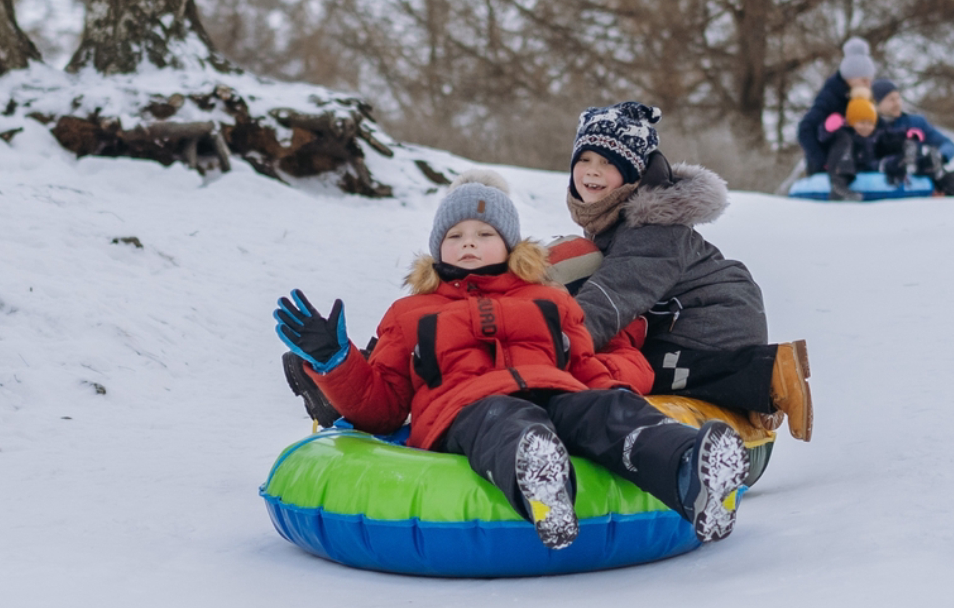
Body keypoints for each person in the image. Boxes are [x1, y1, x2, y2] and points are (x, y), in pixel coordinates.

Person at [273, 170, 751, 551]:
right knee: (506, 418)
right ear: (437, 247)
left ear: (510, 245)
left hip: (556, 393)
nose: (469, 243)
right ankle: (542, 488)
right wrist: (335, 360)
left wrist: (616, 393)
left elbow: (585, 365)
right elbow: (384, 406)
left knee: (605, 409)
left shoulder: (550, 300)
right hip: (467, 409)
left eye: (485, 233)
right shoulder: (411, 313)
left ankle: (691, 474)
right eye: (455, 234)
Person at [560, 102, 813, 441]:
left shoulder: (652, 228)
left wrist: (558, 342)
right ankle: (745, 393)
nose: (592, 171)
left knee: (638, 366)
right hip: (682, 318)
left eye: (608, 163)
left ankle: (765, 375)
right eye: (585, 160)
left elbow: (611, 297)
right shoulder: (612, 218)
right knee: (622, 354)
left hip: (713, 319)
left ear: (633, 173)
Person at [794, 38, 877, 174]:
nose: (868, 85)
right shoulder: (830, 97)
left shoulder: (863, 98)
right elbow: (805, 129)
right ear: (850, 77)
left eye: (870, 80)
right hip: (826, 168)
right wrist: (822, 162)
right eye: (864, 80)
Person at [871, 79, 954, 196]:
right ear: (877, 103)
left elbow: (947, 144)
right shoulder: (868, 127)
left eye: (898, 98)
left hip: (920, 177)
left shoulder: (915, 123)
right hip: (886, 182)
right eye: (891, 100)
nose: (897, 103)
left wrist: (939, 157)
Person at [819, 93, 883, 200]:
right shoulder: (844, 135)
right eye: (862, 123)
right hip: (840, 167)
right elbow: (824, 139)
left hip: (862, 167)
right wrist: (828, 129)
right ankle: (838, 186)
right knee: (844, 142)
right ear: (852, 122)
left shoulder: (872, 138)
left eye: (870, 123)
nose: (866, 127)